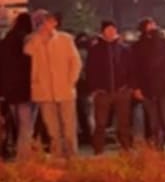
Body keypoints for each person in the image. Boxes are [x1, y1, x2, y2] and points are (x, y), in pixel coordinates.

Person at [23, 10, 83, 159]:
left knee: (69, 126)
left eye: (48, 22)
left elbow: (76, 62)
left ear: (55, 23)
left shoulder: (65, 39)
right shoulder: (33, 39)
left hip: (65, 89)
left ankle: (72, 156)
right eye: (42, 22)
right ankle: (58, 155)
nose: (45, 25)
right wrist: (39, 37)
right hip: (43, 90)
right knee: (52, 128)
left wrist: (70, 81)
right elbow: (27, 51)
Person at [85, 20, 133, 154]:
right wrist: (94, 89)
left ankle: (126, 148)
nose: (111, 32)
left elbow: (131, 68)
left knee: (123, 123)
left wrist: (130, 87)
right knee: (100, 124)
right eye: (108, 29)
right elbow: (90, 70)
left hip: (122, 91)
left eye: (113, 29)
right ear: (103, 31)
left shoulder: (124, 48)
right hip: (102, 93)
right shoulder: (95, 50)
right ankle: (98, 150)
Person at [132, 17, 165, 150]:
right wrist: (137, 88)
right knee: (153, 121)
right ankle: (158, 144)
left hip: (163, 87)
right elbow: (134, 68)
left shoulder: (164, 44)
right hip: (147, 88)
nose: (152, 27)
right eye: (149, 25)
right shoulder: (138, 46)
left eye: (153, 24)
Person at [1, 12, 35, 159]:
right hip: (26, 89)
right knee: (26, 125)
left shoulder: (5, 41)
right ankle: (24, 155)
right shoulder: (28, 40)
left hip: (9, 90)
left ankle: (19, 152)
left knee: (18, 124)